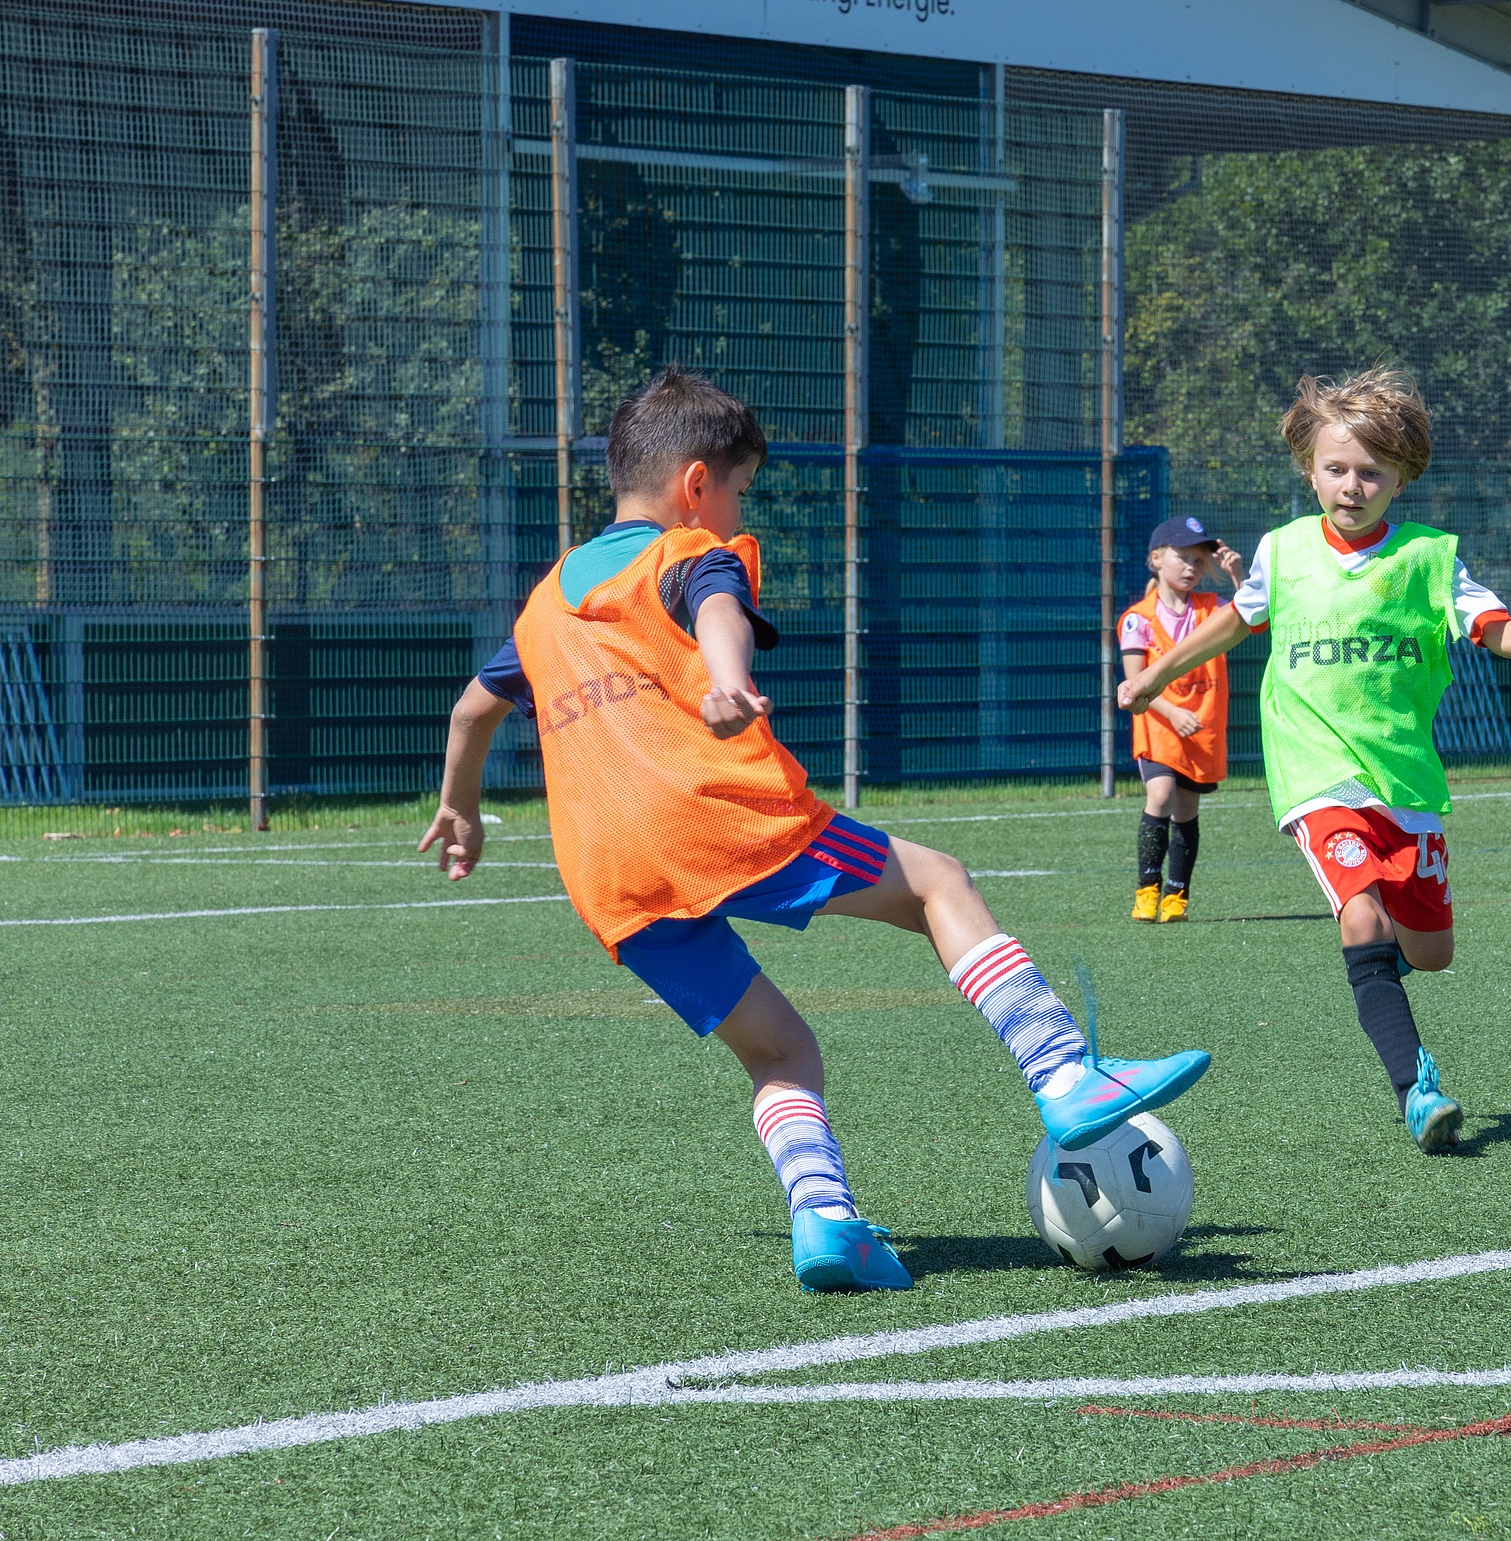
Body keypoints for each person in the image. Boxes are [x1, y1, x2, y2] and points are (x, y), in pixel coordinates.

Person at [419, 366, 1209, 1291]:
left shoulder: (547, 600)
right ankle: (1066, 1071)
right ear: (695, 485)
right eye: (738, 492)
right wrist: (723, 677)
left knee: (780, 1049)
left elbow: (473, 712)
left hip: (606, 873)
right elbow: (716, 605)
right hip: (716, 817)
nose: (735, 513)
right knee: (939, 881)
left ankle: (826, 1222)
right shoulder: (684, 552)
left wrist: (459, 805)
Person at [1119, 367, 1511, 1151]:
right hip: (1316, 774)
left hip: (1405, 778)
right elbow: (1228, 629)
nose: (1352, 485)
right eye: (1335, 468)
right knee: (1360, 915)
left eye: (1371, 470)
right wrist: (1154, 675)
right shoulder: (1281, 553)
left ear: (1403, 476)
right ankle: (1417, 1088)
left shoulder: (1430, 558)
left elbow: (1495, 629)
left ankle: (1378, 971)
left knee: (1431, 952)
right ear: (1309, 469)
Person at [1118, 514, 1244, 922]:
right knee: (1160, 795)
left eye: (1199, 560)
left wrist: (1238, 577)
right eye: (1182, 557)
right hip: (1159, 726)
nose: (1192, 566)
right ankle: (1147, 890)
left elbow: (1252, 619)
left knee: (1186, 812)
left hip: (1200, 728)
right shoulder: (1139, 618)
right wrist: (1171, 710)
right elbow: (1135, 682)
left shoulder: (1214, 607)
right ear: (1156, 558)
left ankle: (1177, 896)